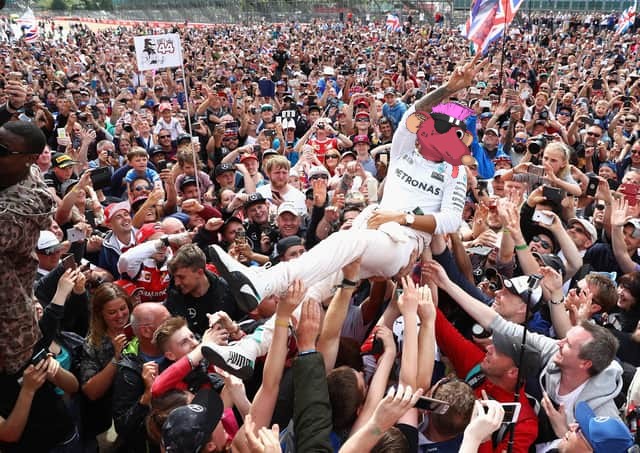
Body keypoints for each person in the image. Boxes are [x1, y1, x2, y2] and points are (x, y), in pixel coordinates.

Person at [0, 121, 55, 375]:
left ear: (30, 158)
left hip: (7, 324)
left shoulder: (14, 214)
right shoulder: (20, 170)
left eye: (2, 150)